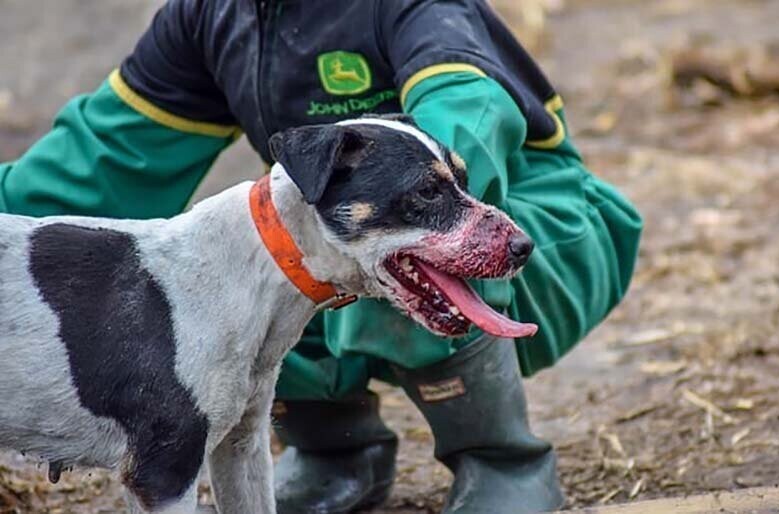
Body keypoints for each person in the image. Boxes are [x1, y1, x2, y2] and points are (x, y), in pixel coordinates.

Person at [0, 1, 643, 512]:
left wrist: (414, 201)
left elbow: (468, 112)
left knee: (383, 254)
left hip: (538, 222)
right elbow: (102, 161)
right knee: (263, 271)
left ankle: (502, 457)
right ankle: (340, 451)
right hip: (354, 224)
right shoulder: (211, 16)